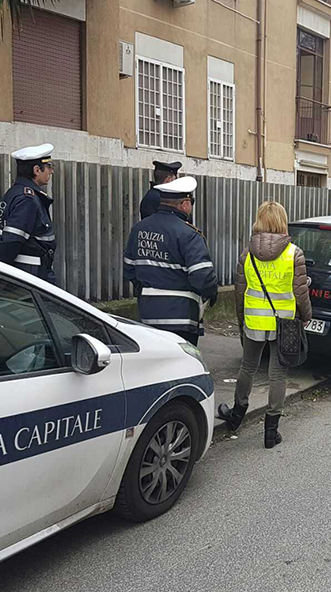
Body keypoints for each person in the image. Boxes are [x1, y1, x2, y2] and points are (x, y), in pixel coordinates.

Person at [216, 201, 312, 449]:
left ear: (259, 221)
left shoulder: (246, 254)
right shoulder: (294, 253)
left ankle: (237, 415)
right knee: (278, 374)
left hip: (254, 320)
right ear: (282, 221)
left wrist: (241, 318)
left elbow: (240, 291)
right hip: (284, 324)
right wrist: (306, 316)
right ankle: (271, 432)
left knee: (248, 367)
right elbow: (300, 292)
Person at [123, 176, 218, 346]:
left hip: (148, 314)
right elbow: (202, 276)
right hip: (181, 318)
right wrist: (211, 291)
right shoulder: (189, 234)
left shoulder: (139, 229)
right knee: (181, 365)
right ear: (184, 204)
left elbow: (129, 269)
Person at [0, 144, 58, 284]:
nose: (51, 171)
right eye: (49, 166)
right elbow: (11, 243)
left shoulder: (17, 192)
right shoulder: (27, 199)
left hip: (26, 271)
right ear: (37, 170)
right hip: (30, 274)